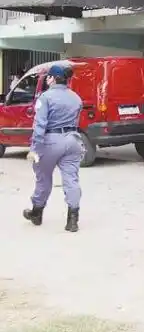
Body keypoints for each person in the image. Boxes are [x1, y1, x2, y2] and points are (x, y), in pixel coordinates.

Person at [22, 63, 84, 232]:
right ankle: (73, 220)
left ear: (52, 78)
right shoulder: (76, 98)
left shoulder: (46, 98)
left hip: (51, 140)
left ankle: (37, 212)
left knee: (44, 178)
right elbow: (77, 122)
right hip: (73, 140)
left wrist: (34, 148)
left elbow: (40, 125)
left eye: (48, 77)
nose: (46, 79)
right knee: (71, 179)